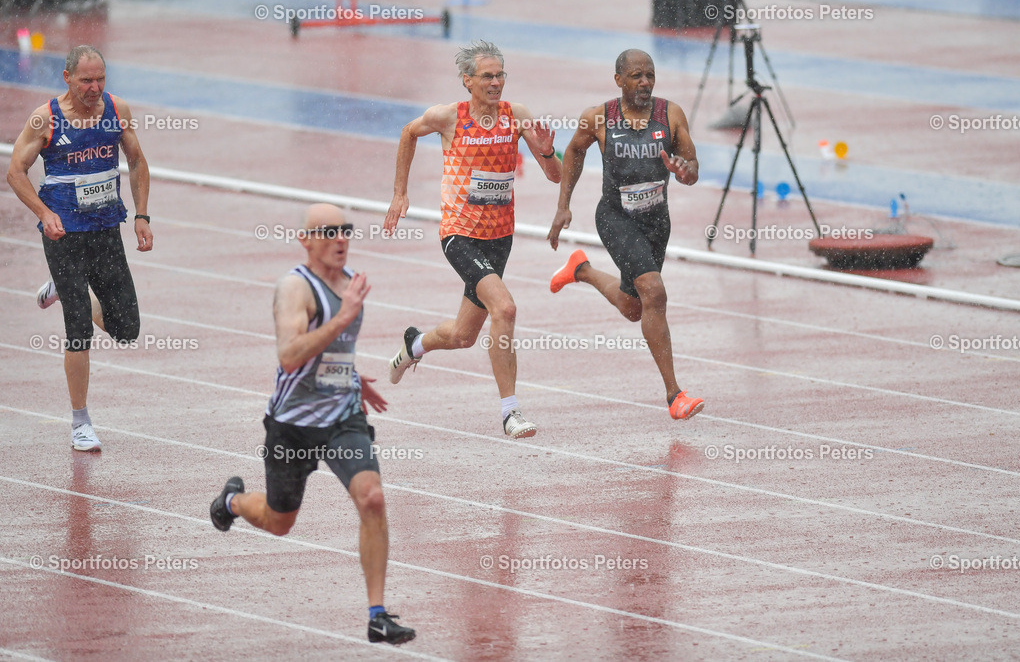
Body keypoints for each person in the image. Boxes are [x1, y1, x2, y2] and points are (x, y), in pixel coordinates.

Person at [209, 203, 415, 646]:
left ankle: (377, 616)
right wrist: (342, 316)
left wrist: (355, 380)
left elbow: (333, 349)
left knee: (372, 498)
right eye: (328, 232)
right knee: (280, 521)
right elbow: (290, 354)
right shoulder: (294, 288)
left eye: (345, 230)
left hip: (342, 415)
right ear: (306, 240)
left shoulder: (351, 282)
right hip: (293, 425)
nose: (340, 239)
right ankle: (232, 503)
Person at [383, 40, 561, 439]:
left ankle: (414, 346)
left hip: (500, 237)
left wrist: (548, 155)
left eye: (500, 75)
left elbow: (556, 177)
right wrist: (400, 192)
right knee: (506, 308)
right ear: (468, 81)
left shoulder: (517, 116)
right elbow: (408, 133)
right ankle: (510, 412)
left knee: (464, 336)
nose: (496, 82)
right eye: (487, 76)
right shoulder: (449, 117)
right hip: (459, 234)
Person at [6, 44, 153, 452]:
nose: (94, 87)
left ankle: (60, 286)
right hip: (63, 233)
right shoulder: (46, 118)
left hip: (106, 229)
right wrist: (43, 212)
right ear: (67, 77)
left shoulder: (116, 109)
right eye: (86, 79)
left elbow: (138, 161)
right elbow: (16, 172)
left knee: (127, 329)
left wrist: (142, 216)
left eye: (100, 79)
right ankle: (80, 421)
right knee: (77, 327)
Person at [546, 49, 704, 421]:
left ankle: (580, 269)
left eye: (650, 75)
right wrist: (562, 206)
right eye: (636, 76)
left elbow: (693, 167)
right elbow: (573, 153)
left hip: (656, 221)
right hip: (616, 217)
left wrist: (685, 171)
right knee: (654, 291)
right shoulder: (598, 117)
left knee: (635, 309)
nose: (645, 82)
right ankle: (674, 395)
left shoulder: (671, 114)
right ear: (619, 80)